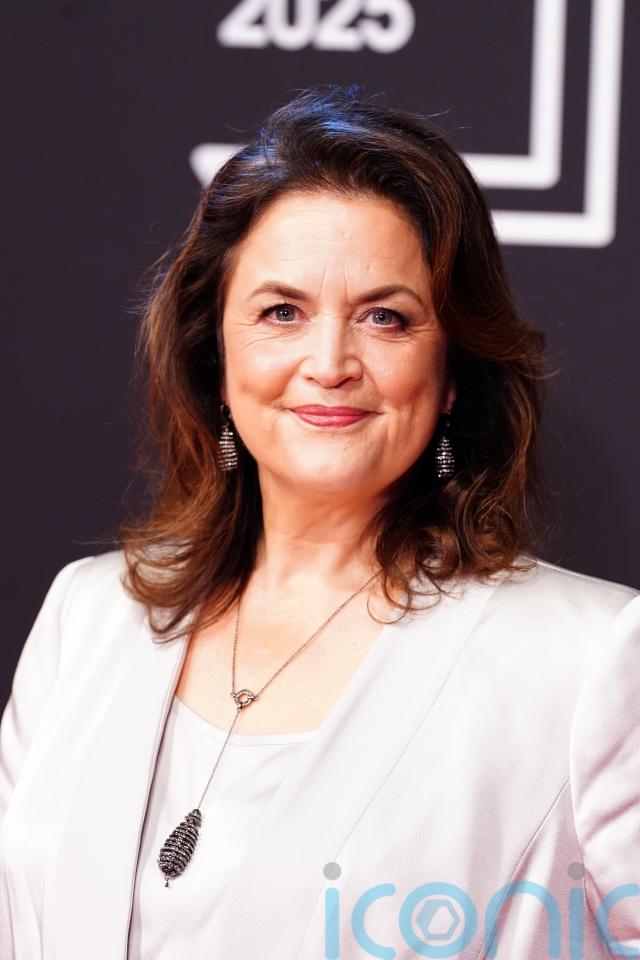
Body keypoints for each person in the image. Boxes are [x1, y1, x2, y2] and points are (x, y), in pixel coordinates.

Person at [0, 84, 638, 960]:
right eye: (282, 312)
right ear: (215, 356)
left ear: (452, 373)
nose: (331, 362)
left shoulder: (589, 659)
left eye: (385, 317)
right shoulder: (89, 616)